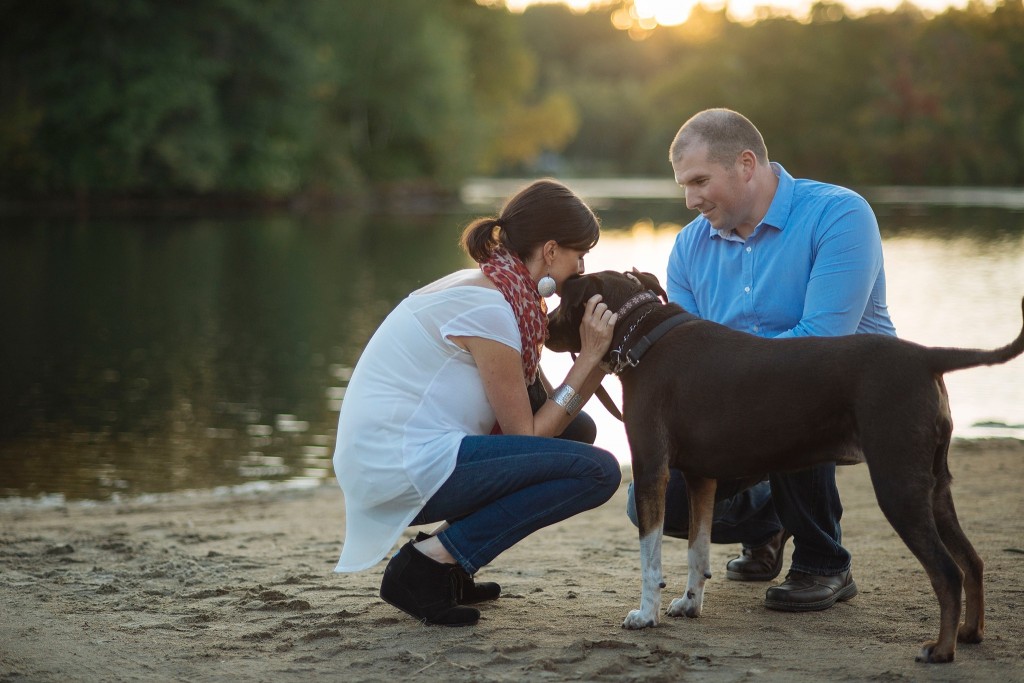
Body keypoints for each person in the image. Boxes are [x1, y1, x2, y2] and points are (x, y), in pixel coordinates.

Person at [626, 108, 896, 612]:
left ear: (746, 164)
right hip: (742, 404)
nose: (691, 200)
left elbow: (822, 344)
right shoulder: (688, 247)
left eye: (701, 181)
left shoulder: (839, 214)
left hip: (851, 397)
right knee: (662, 499)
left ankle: (823, 562)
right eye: (684, 185)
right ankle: (771, 524)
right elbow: (689, 360)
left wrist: (734, 382)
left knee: (791, 385)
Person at [333, 179, 622, 626]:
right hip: (397, 464)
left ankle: (451, 560)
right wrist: (589, 359)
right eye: (578, 254)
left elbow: (547, 406)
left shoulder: (501, 290)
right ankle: (429, 563)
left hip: (401, 454)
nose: (581, 267)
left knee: (577, 430)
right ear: (549, 250)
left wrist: (595, 362)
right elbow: (527, 436)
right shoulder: (491, 309)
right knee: (598, 471)